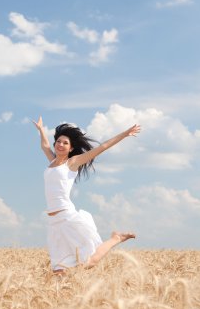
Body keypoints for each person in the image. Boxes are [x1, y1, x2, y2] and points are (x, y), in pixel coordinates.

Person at [33, 116, 141, 273]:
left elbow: (102, 147)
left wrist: (124, 134)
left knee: (88, 262)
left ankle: (115, 238)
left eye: (65, 143)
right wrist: (41, 130)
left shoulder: (72, 162)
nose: (61, 145)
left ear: (71, 148)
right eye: (58, 141)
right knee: (59, 271)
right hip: (53, 221)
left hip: (67, 217)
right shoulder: (52, 161)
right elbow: (44, 146)